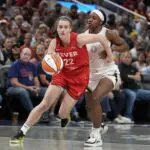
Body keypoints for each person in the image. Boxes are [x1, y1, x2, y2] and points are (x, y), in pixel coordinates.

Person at [9, 16, 113, 144]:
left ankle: (65, 116)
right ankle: (22, 132)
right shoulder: (54, 42)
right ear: (57, 28)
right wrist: (49, 57)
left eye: (65, 27)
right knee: (44, 104)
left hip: (79, 78)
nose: (62, 29)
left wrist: (109, 54)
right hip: (62, 74)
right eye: (60, 27)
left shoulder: (79, 39)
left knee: (62, 113)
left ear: (70, 29)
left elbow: (101, 38)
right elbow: (49, 56)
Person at [84, 9, 129, 147]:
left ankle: (96, 135)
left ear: (101, 21)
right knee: (89, 106)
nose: (90, 19)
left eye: (94, 18)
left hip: (108, 71)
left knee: (96, 98)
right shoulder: (83, 35)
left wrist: (111, 49)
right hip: (91, 74)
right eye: (89, 17)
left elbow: (125, 45)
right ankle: (99, 125)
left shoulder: (107, 33)